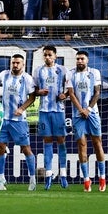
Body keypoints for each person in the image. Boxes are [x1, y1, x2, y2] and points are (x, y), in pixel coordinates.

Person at [0, 53, 37, 191]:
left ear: (23, 64)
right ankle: (1, 180)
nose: (15, 65)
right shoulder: (4, 75)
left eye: (18, 63)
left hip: (19, 121)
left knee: (26, 149)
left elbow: (32, 97)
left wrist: (21, 108)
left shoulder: (27, 79)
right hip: (3, 119)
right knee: (0, 148)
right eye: (13, 62)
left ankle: (32, 179)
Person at [66, 50, 106, 193]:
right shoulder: (70, 73)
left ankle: (102, 178)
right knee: (81, 145)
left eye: (82, 59)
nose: (80, 61)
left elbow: (97, 92)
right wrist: (81, 110)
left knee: (97, 143)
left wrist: (88, 109)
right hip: (77, 115)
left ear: (87, 60)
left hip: (93, 113)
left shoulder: (94, 72)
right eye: (78, 59)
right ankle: (86, 180)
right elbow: (71, 94)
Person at [33, 45, 69, 190]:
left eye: (49, 55)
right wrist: (39, 92)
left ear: (55, 56)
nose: (47, 57)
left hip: (59, 110)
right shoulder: (38, 71)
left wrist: (64, 95)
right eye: (45, 55)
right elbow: (33, 90)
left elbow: (69, 90)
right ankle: (48, 176)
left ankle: (63, 175)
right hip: (44, 111)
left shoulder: (63, 70)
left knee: (61, 141)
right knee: (47, 142)